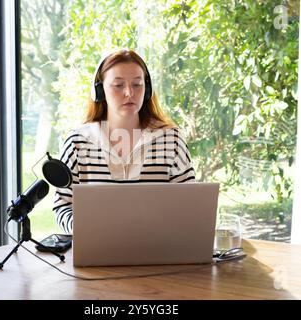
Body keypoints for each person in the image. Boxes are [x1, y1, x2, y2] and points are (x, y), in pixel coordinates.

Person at [53, 49, 195, 234]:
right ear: (99, 91)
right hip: (97, 253)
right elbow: (63, 206)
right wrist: (85, 231)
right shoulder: (77, 142)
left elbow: (190, 206)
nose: (129, 93)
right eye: (118, 85)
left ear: (147, 89)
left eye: (137, 84)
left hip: (159, 251)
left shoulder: (171, 139)